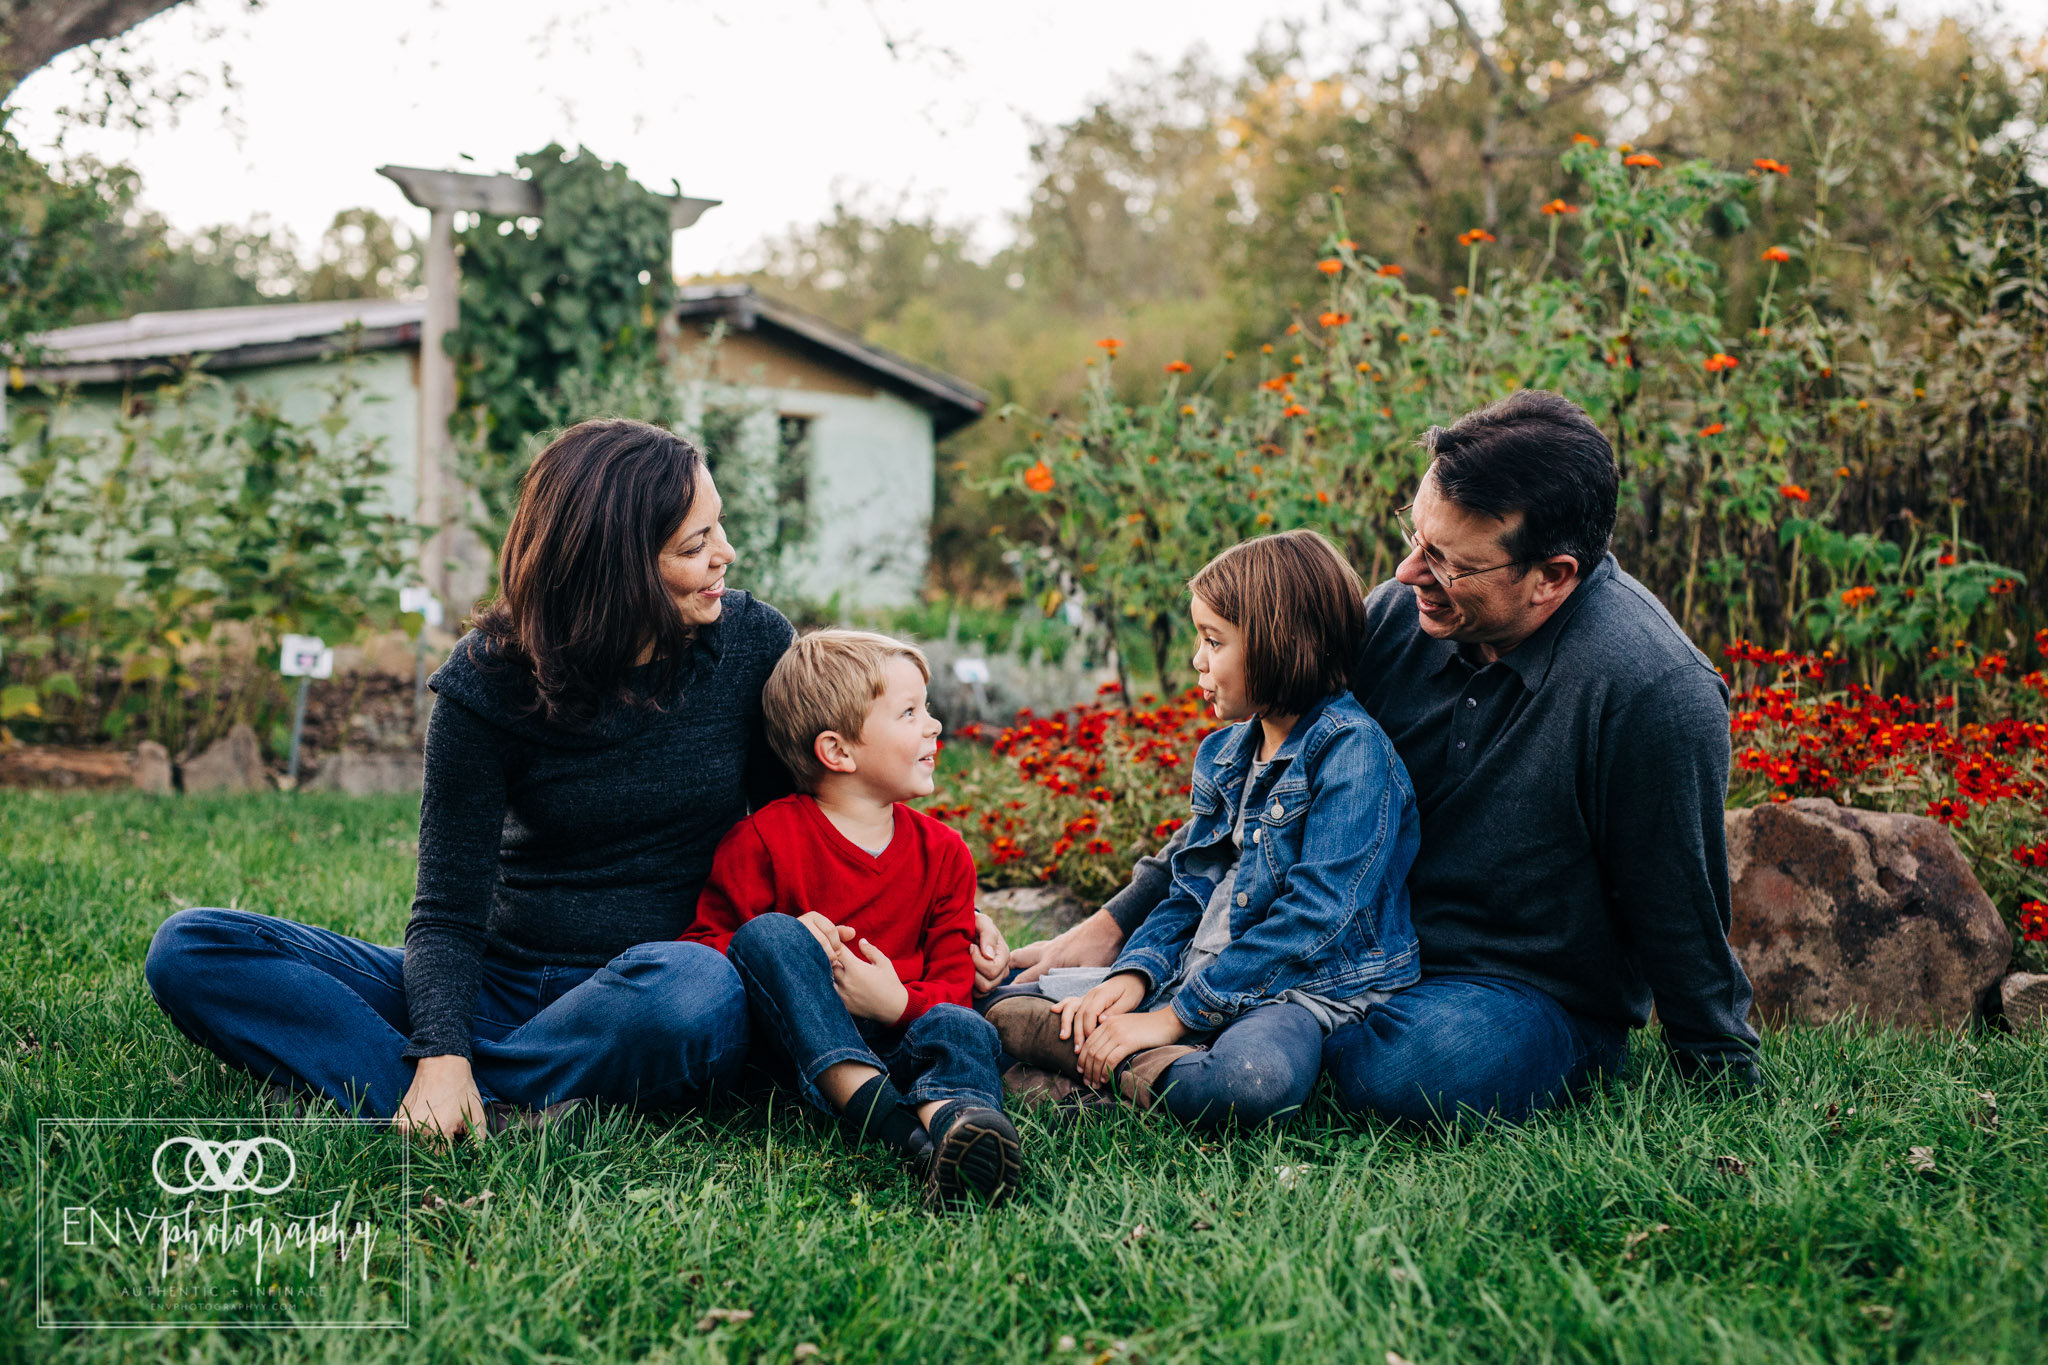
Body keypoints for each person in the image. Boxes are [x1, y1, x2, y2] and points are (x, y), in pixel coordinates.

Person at [1005, 390, 1761, 1126]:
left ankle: (1217, 1040)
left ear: (1551, 577)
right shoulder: (1398, 619)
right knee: (1285, 1017)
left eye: (1447, 562)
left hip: (1514, 987)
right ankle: (1215, 1034)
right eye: (1415, 539)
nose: (1407, 574)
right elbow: (1252, 788)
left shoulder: (1652, 690)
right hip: (1342, 945)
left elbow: (1679, 902)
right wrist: (1112, 924)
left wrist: (1716, 1061)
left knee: (1409, 1070)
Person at [145, 419, 790, 1136]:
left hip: (652, 990)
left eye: (717, 529)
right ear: (617, 565)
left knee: (702, 991)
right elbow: (449, 909)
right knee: (194, 948)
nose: (726, 555)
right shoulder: (488, 681)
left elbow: (793, 834)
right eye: (694, 545)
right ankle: (490, 1096)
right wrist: (442, 1043)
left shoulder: (752, 645)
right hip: (500, 983)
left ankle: (420, 1092)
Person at [986, 530, 1421, 1131]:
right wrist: (1135, 975)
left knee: (1250, 1082)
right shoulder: (1226, 755)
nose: (1197, 660)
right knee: (1006, 1000)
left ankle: (1092, 1070)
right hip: (1198, 971)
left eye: (1214, 641)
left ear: (1281, 646)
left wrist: (1175, 1016)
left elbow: (1316, 918)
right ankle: (1124, 1065)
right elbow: (1187, 890)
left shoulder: (1352, 754)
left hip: (1301, 991)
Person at [686, 630, 1021, 1204]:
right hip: (795, 1053)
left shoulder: (943, 853)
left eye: (928, 708)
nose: (934, 726)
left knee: (963, 1027)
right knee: (766, 934)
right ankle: (899, 1130)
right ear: (838, 752)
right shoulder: (763, 840)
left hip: (902, 1036)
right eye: (909, 712)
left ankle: (960, 1126)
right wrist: (793, 944)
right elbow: (704, 949)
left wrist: (893, 1004)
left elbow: (952, 986)